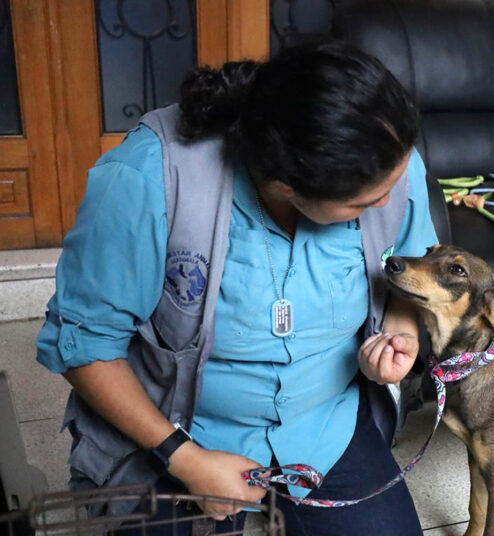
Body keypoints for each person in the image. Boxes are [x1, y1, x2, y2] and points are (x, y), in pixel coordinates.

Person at [35, 40, 438, 535]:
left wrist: (401, 335)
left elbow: (406, 276)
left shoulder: (388, 158)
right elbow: (86, 344)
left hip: (323, 425)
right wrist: (184, 458)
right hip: (174, 428)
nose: (384, 206)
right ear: (288, 186)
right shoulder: (150, 173)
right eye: (361, 204)